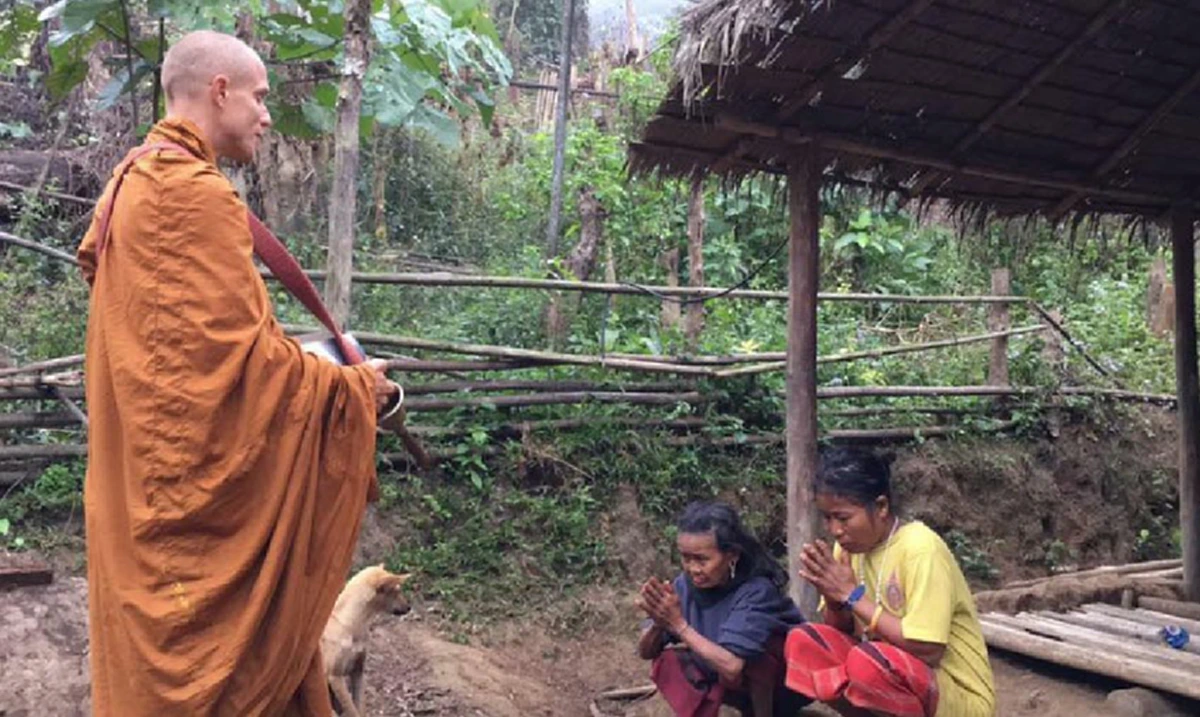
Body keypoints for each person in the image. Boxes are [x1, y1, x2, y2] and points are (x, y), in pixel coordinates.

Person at [76, 30, 399, 715]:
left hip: (138, 488)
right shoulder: (193, 197)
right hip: (191, 506)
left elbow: (203, 359)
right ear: (218, 91)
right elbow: (242, 375)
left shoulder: (130, 186)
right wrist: (352, 387)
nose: (265, 114)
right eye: (258, 96)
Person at [783, 448, 995, 717]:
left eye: (843, 518)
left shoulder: (920, 548)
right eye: (828, 518)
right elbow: (840, 629)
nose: (835, 530)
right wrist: (835, 602)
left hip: (957, 697)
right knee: (805, 642)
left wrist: (851, 595)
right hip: (886, 675)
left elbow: (928, 650)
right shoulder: (847, 549)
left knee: (868, 662)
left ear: (881, 507)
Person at [636, 502, 809, 717]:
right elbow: (646, 653)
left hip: (784, 687)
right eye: (686, 558)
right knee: (668, 660)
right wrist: (658, 622)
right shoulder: (682, 586)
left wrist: (679, 625)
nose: (692, 569)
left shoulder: (757, 590)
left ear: (732, 556)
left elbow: (732, 665)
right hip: (728, 679)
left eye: (702, 559)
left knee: (757, 658)